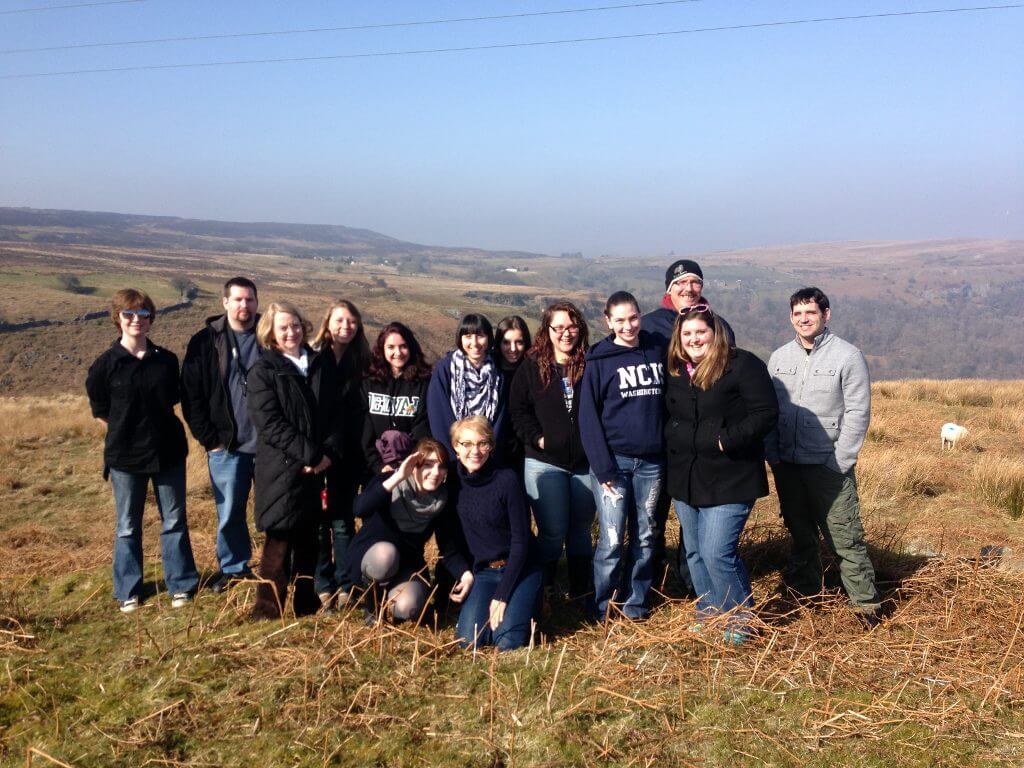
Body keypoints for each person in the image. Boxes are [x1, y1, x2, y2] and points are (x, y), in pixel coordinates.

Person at [765, 287, 880, 624]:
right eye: (798, 314)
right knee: (801, 534)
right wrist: (774, 455)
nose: (804, 319)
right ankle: (805, 592)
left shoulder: (847, 356)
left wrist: (840, 461)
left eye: (810, 313)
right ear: (791, 317)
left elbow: (858, 412)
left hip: (827, 465)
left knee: (846, 537)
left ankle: (866, 606)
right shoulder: (779, 358)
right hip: (788, 464)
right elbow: (769, 411)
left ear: (825, 315)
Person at [665, 304, 778, 642]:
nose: (694, 339)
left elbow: (765, 413)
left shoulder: (742, 365)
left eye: (700, 332)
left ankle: (740, 623)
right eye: (687, 334)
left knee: (717, 552)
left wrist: (726, 441)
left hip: (731, 476)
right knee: (695, 551)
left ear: (714, 333)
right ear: (679, 339)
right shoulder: (676, 371)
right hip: (686, 477)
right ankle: (710, 613)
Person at [86, 289, 199, 613]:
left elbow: (172, 400)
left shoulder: (166, 361)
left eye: (143, 314)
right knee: (127, 525)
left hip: (168, 453)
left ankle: (181, 584)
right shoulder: (105, 365)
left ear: (151, 319)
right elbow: (101, 410)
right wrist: (127, 430)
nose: (136, 320)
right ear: (117, 319)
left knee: (174, 520)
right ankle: (128, 590)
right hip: (125, 457)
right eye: (129, 314)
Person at [641, 258, 733, 595]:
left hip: (701, 441)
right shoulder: (650, 326)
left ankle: (695, 585)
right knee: (652, 515)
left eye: (694, 282)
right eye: (680, 284)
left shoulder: (718, 326)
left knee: (694, 515)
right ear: (669, 290)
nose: (688, 289)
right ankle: (650, 581)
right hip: (656, 436)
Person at [246, 302, 343, 620]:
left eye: (296, 325)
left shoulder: (319, 365)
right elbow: (270, 424)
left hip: (316, 468)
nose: (292, 332)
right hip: (281, 468)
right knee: (279, 539)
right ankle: (267, 610)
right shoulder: (264, 371)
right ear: (271, 334)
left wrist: (325, 455)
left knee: (309, 538)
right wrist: (311, 455)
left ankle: (306, 605)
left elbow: (334, 414)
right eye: (284, 327)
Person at [579, 291, 666, 622]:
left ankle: (636, 603)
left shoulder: (656, 349)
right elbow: (588, 418)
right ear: (608, 321)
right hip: (613, 464)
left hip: (652, 464)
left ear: (639, 315)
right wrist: (603, 469)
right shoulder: (599, 359)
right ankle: (603, 606)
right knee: (612, 539)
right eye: (620, 320)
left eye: (633, 317)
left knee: (645, 536)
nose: (628, 325)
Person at [509, 301, 594, 605]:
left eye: (571, 326)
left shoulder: (590, 362)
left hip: (585, 463)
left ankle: (580, 589)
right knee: (553, 531)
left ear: (580, 328)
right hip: (545, 463)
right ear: (547, 331)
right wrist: (539, 439)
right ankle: (542, 590)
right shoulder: (532, 366)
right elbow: (518, 411)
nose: (565, 333)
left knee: (581, 530)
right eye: (558, 327)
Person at [181, 276, 260, 593]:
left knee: (276, 511)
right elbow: (191, 395)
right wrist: (209, 440)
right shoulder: (204, 341)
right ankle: (234, 568)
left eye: (250, 299)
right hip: (227, 445)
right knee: (229, 513)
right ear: (225, 302)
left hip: (269, 445)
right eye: (238, 299)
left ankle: (281, 566)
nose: (245, 305)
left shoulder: (271, 336)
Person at [347, 438, 471, 625]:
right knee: (385, 555)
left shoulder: (442, 500)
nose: (436, 473)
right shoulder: (389, 481)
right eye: (428, 465)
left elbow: (448, 547)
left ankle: (395, 603)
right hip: (372, 558)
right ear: (414, 466)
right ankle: (372, 611)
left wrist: (465, 574)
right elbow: (360, 508)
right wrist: (398, 477)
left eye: (441, 466)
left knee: (409, 606)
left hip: (407, 564)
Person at [450, 416, 541, 651]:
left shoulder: (506, 479)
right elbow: (448, 539)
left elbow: (522, 541)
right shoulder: (452, 482)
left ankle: (533, 601)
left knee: (507, 642)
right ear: (455, 447)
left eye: (483, 443)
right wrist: (464, 573)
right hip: (484, 572)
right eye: (466, 444)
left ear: (491, 446)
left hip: (520, 568)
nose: (475, 451)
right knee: (468, 641)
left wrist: (501, 595)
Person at [310, 299, 371, 612]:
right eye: (340, 320)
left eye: (352, 321)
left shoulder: (364, 360)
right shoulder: (312, 358)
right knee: (320, 522)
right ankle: (322, 585)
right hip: (317, 453)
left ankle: (347, 585)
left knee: (344, 521)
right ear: (327, 322)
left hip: (351, 453)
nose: (346, 327)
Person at [427, 313, 507, 460]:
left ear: (489, 338)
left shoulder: (498, 373)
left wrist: (487, 450)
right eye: (468, 336)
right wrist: (454, 453)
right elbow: (439, 415)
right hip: (454, 455)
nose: (474, 342)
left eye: (480, 335)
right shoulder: (445, 369)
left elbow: (500, 419)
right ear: (460, 338)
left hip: (486, 455)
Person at [361, 322, 432, 476]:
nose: (398, 352)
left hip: (411, 468)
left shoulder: (423, 382)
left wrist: (407, 462)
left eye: (403, 346)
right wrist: (378, 466)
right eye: (391, 347)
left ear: (411, 348)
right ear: (382, 349)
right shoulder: (369, 382)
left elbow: (423, 425)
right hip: (374, 470)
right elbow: (365, 430)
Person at [494, 315, 531, 473]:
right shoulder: (489, 370)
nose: (513, 349)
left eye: (519, 342)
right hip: (494, 448)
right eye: (506, 342)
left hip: (527, 448)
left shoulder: (533, 370)